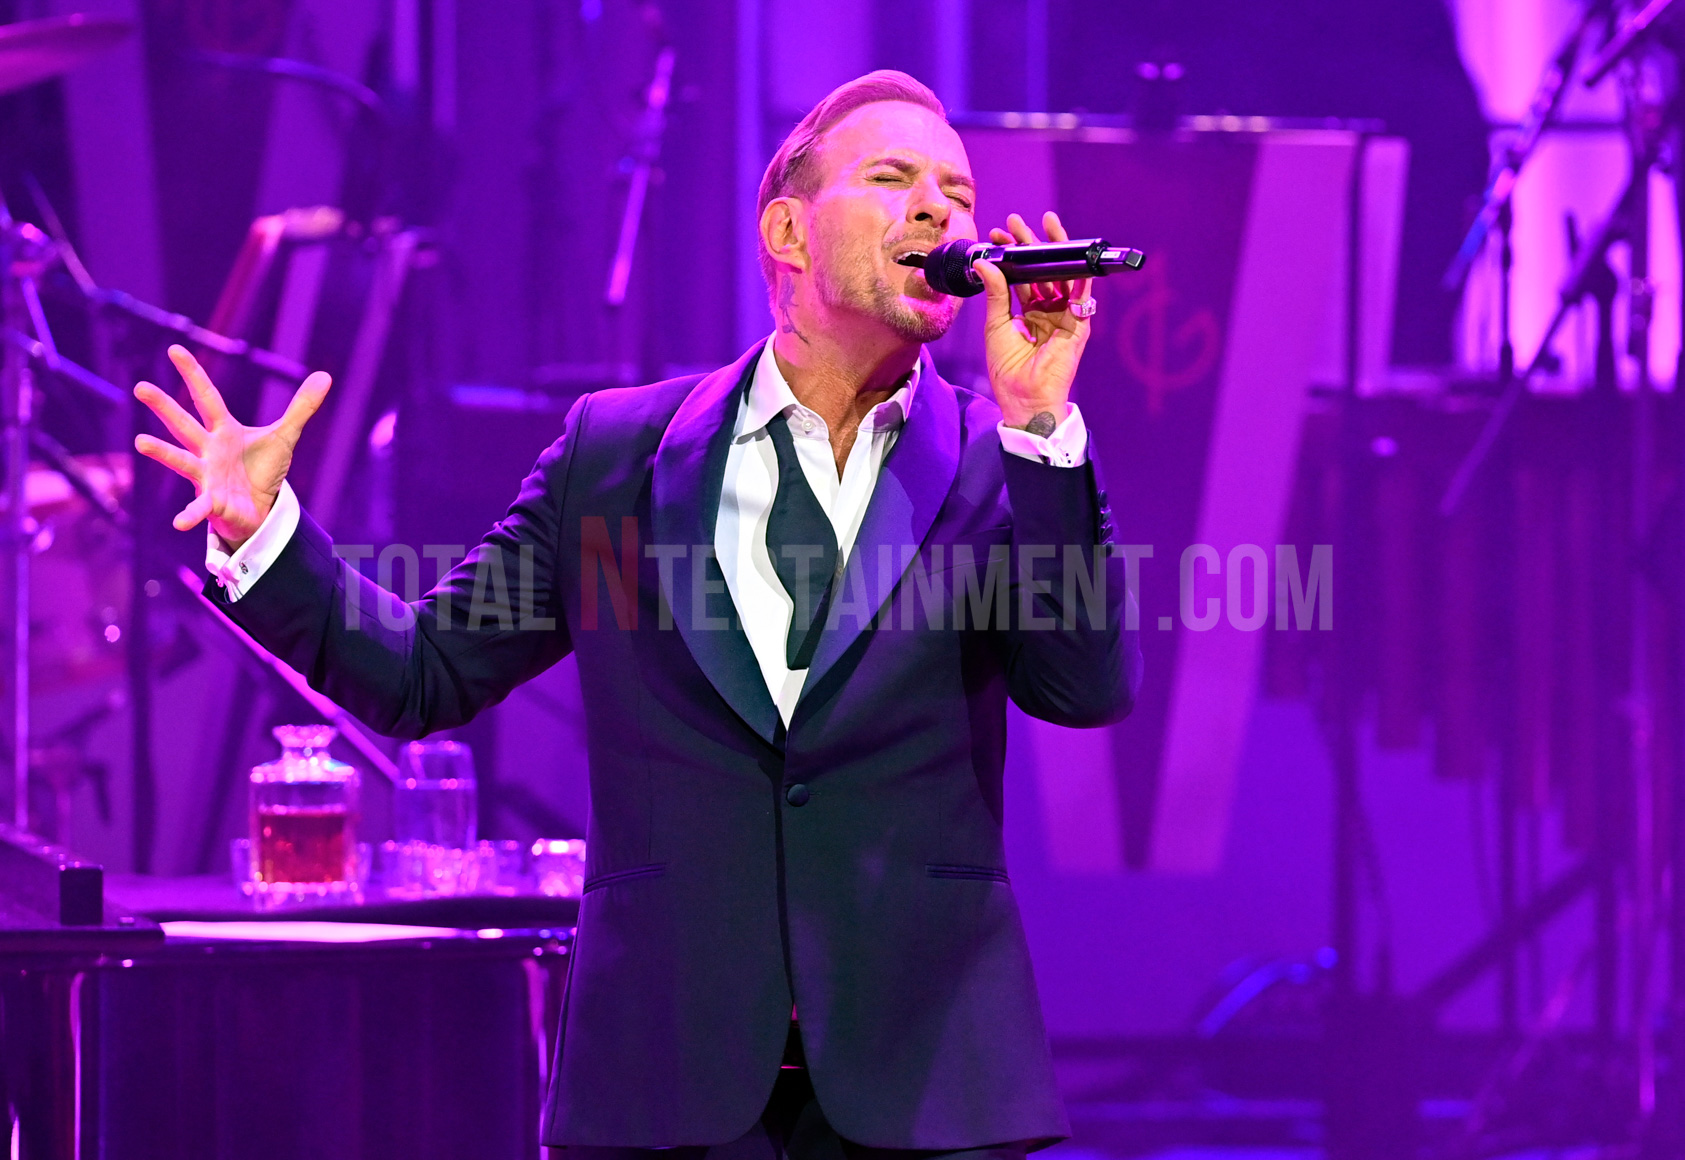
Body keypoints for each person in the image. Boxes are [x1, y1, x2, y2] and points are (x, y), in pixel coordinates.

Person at [134, 70, 1141, 1160]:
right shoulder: (614, 456)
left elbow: (1082, 689)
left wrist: (1042, 422)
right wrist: (263, 533)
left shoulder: (1004, 463)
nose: (941, 210)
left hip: (930, 1082)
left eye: (959, 191)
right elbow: (423, 671)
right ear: (787, 232)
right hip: (665, 1084)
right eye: (894, 179)